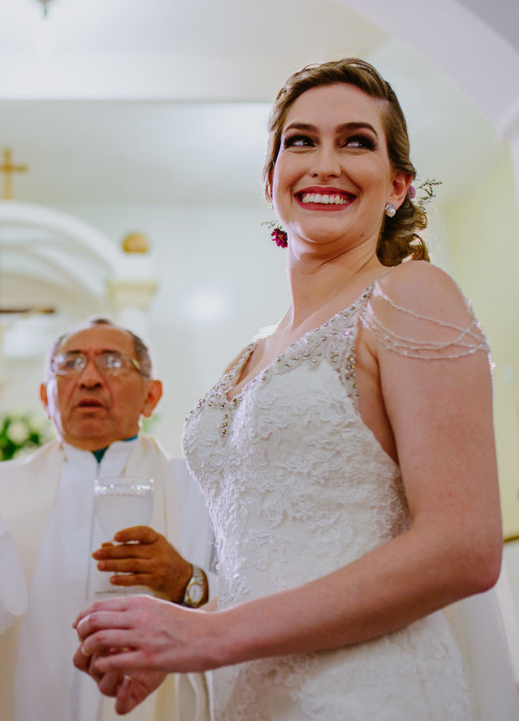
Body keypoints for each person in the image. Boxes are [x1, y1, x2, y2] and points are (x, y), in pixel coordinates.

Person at [74, 57, 516, 720]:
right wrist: (176, 642)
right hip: (252, 696)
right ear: (270, 180)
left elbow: (465, 548)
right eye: (301, 141)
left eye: (356, 142)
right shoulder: (249, 355)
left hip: (372, 695)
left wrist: (213, 636)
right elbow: (270, 565)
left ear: (397, 186)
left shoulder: (410, 296)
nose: (325, 164)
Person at [0, 317, 215, 721]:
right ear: (46, 398)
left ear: (151, 396)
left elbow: (257, 603)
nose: (90, 378)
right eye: (71, 363)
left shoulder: (199, 491)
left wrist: (185, 580)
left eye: (112, 362)